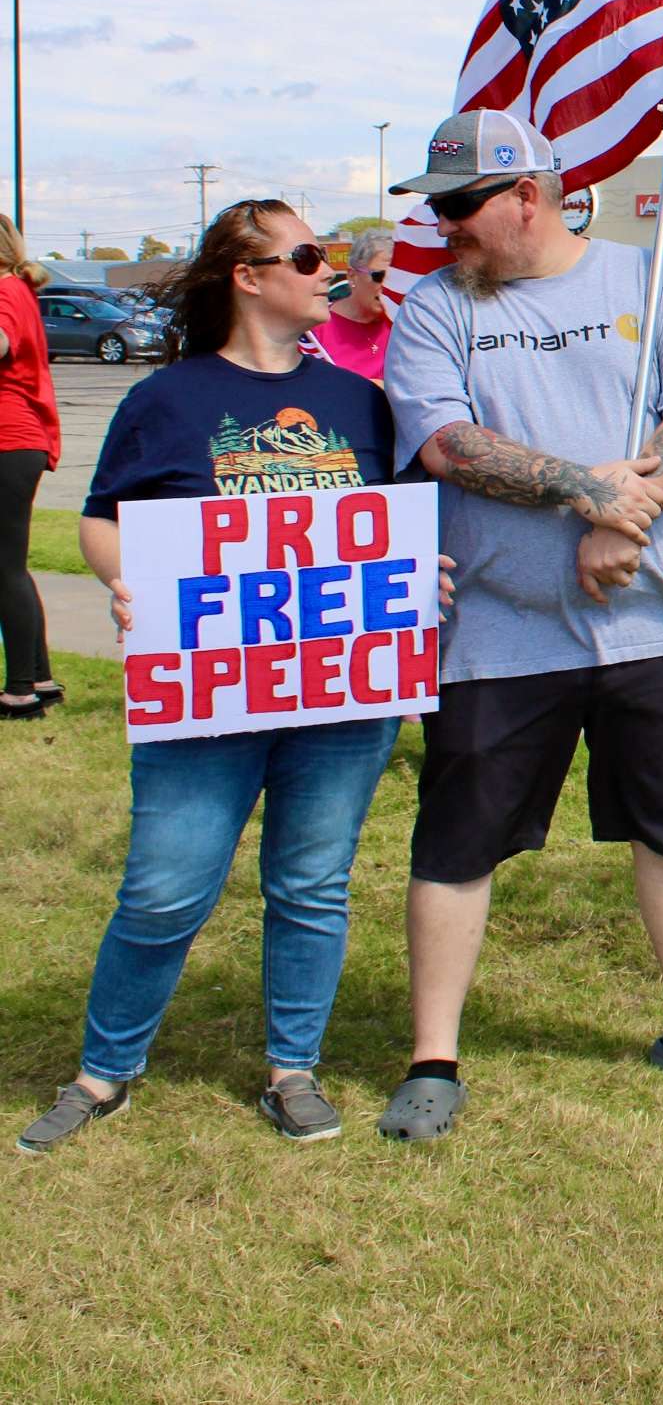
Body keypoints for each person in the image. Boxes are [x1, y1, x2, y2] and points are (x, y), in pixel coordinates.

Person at [378, 108, 663, 1143]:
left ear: (528, 195)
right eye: (435, 207)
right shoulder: (432, 306)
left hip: (655, 619)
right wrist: (582, 495)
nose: (445, 226)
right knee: (456, 839)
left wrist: (623, 515)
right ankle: (434, 1056)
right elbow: (448, 444)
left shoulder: (654, 284)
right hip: (500, 630)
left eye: (461, 206)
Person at [17, 199, 406, 1152]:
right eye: (311, 254)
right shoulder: (168, 399)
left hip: (340, 693)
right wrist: (126, 582)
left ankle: (293, 1070)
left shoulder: (360, 402)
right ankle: (103, 1073)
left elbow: (394, 525)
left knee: (312, 883)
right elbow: (104, 518)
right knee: (163, 888)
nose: (332, 269)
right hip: (209, 689)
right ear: (248, 274)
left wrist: (417, 572)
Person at [0, 214, 62, 719]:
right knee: (11, 565)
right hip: (23, 439)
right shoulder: (20, 287)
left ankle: (19, 692)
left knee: (4, 569)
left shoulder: (4, 290)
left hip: (7, 438)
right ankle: (39, 679)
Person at [309, 228, 394, 380]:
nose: (388, 286)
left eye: (395, 278)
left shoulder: (403, 327)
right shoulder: (315, 329)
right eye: (379, 276)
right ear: (352, 276)